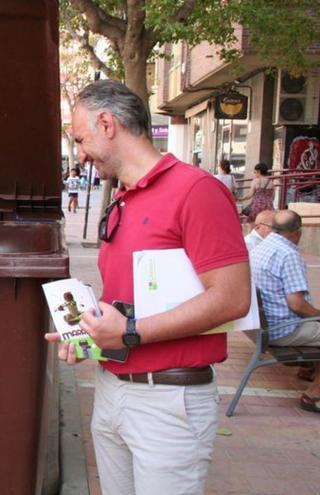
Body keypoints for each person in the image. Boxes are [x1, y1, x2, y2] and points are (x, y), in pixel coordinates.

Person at [46, 80, 251, 495]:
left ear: (107, 124)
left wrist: (130, 330)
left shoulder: (196, 191)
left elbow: (232, 298)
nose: (80, 154)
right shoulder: (122, 197)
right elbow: (128, 302)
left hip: (169, 401)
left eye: (81, 139)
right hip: (113, 389)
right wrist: (90, 334)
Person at [250, 210, 320, 413]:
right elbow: (297, 305)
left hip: (258, 326)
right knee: (314, 318)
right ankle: (314, 395)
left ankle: (308, 370)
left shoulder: (261, 248)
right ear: (298, 231)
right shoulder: (289, 254)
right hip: (281, 330)